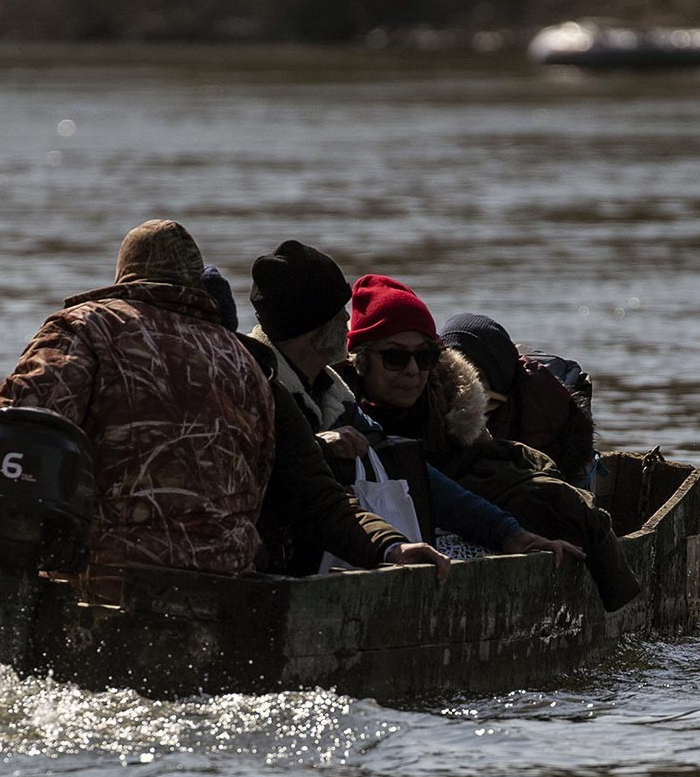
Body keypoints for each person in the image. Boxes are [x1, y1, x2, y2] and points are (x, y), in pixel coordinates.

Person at [0, 246, 451, 584]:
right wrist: (389, 546)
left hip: (106, 566)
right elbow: (317, 495)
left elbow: (15, 416)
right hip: (227, 573)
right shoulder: (248, 365)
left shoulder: (89, 329)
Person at [246, 240, 578, 565]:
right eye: (337, 314)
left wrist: (508, 533)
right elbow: (268, 470)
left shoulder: (333, 396)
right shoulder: (257, 391)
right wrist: (319, 445)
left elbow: (411, 472)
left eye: (426, 356)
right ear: (313, 328)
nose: (347, 322)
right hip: (270, 561)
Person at [344, 275, 642, 611]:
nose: (413, 370)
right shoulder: (342, 411)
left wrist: (511, 533)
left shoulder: (449, 409)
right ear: (362, 361)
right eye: (395, 358)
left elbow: (440, 487)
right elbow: (418, 480)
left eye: (425, 357)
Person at [440, 313, 595, 486]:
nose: (459, 385)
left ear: (497, 381)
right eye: (450, 372)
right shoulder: (432, 407)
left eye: (472, 375)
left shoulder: (542, 417)